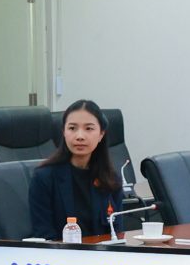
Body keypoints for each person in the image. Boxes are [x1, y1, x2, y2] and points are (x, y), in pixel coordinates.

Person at [27, 100, 124, 239]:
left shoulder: (111, 179)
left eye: (89, 128)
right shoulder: (44, 178)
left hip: (103, 252)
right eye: (72, 128)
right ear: (63, 132)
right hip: (60, 252)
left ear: (101, 134)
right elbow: (43, 234)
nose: (80, 136)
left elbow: (117, 232)